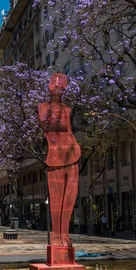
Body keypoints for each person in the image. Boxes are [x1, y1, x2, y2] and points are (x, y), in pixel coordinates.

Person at [38, 73, 81, 247]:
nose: (58, 88)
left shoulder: (67, 109)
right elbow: (49, 126)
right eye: (55, 84)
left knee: (70, 198)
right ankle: (56, 234)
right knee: (56, 200)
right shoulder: (43, 107)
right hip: (54, 158)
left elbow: (62, 127)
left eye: (62, 85)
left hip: (73, 154)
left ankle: (65, 233)